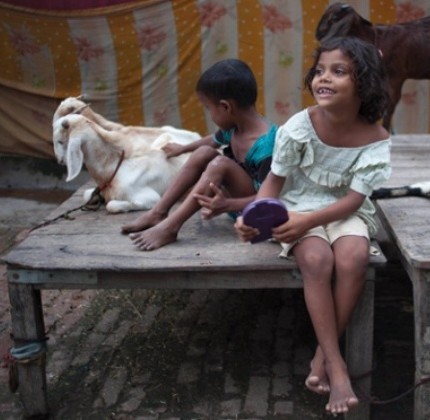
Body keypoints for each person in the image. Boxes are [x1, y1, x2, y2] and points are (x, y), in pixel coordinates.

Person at [234, 37, 391, 415]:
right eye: (320, 70)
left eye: (338, 72)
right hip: (297, 206)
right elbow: (273, 183)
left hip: (341, 210)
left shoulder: (378, 138)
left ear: (364, 82)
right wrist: (250, 216)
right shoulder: (299, 126)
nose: (324, 78)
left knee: (353, 256)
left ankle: (323, 355)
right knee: (318, 261)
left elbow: (353, 202)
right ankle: (338, 368)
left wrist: (311, 219)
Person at [121, 58, 277, 250]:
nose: (209, 114)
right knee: (204, 152)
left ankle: (170, 227)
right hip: (228, 204)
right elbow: (212, 140)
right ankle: (158, 212)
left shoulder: (266, 148)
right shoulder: (235, 125)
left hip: (253, 214)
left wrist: (229, 204)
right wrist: (183, 148)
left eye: (208, 108)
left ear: (226, 107)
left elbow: (271, 198)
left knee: (220, 163)